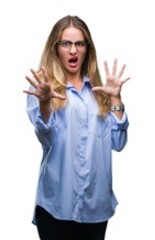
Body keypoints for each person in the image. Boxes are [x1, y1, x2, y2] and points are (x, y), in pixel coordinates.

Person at [24, 15, 131, 240]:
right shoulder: (44, 89)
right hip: (56, 205)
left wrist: (116, 99)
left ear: (87, 48)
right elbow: (46, 138)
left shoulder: (99, 91)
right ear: (55, 48)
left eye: (79, 44)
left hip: (95, 206)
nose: (73, 50)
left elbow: (118, 143)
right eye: (66, 43)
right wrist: (44, 103)